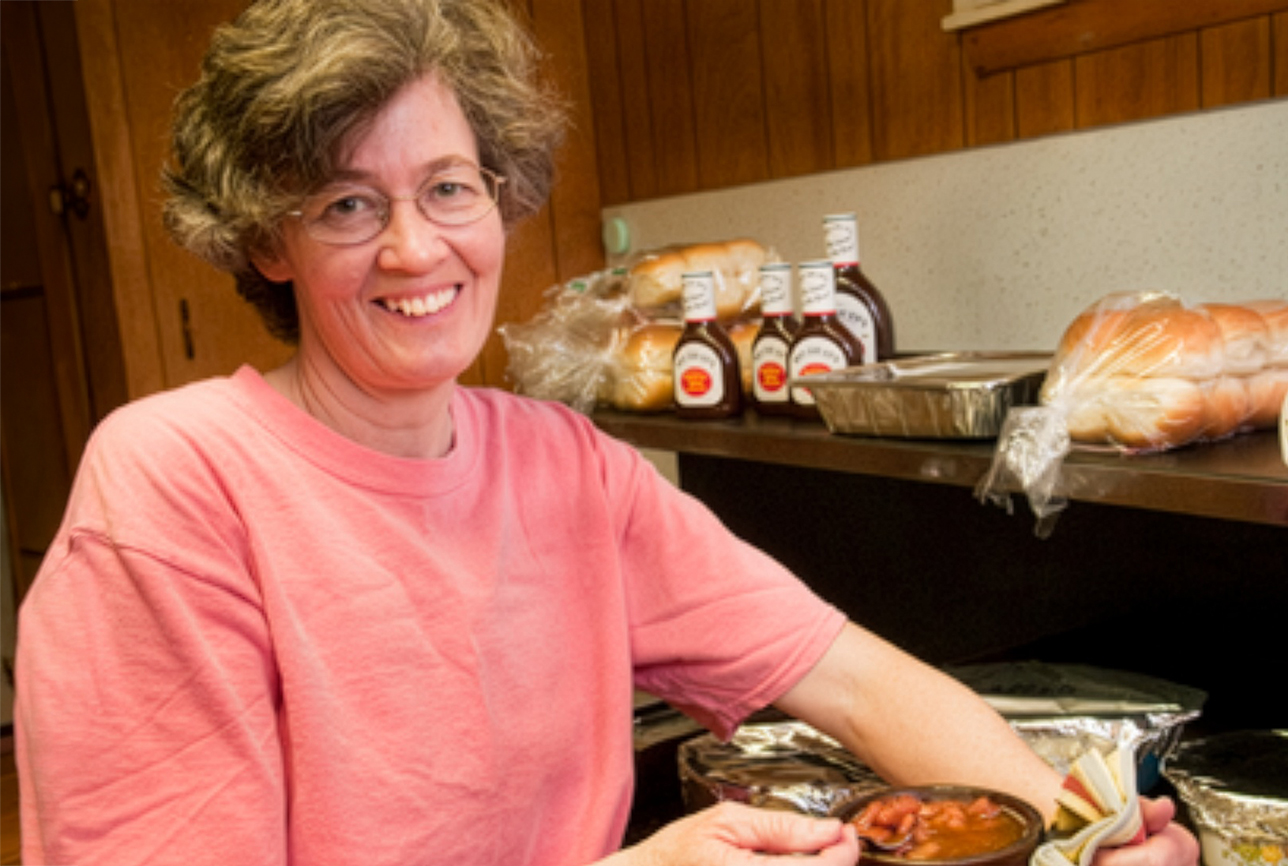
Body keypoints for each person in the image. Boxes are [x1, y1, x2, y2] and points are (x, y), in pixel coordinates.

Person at [14, 1, 1199, 865]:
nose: (414, 250)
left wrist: (1074, 827)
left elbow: (846, 671)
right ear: (265, 243)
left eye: (447, 186)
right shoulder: (173, 480)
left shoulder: (563, 464)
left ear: (501, 199)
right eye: (345, 204)